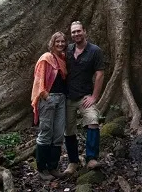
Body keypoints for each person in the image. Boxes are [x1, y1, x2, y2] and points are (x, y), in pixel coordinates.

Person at [63, 21, 105, 173]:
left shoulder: (95, 51)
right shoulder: (67, 50)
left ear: (85, 31)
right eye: (73, 32)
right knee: (68, 129)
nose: (76, 34)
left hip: (85, 97)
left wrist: (94, 96)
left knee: (93, 121)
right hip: (68, 96)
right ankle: (73, 162)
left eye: (78, 31)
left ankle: (91, 158)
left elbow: (100, 74)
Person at [30, 31, 68, 180]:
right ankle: (42, 168)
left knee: (58, 134)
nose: (60, 44)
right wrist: (46, 96)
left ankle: (53, 167)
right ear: (52, 43)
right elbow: (38, 81)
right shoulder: (46, 58)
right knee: (45, 133)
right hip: (48, 99)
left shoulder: (63, 59)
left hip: (61, 99)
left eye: (62, 42)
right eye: (57, 41)